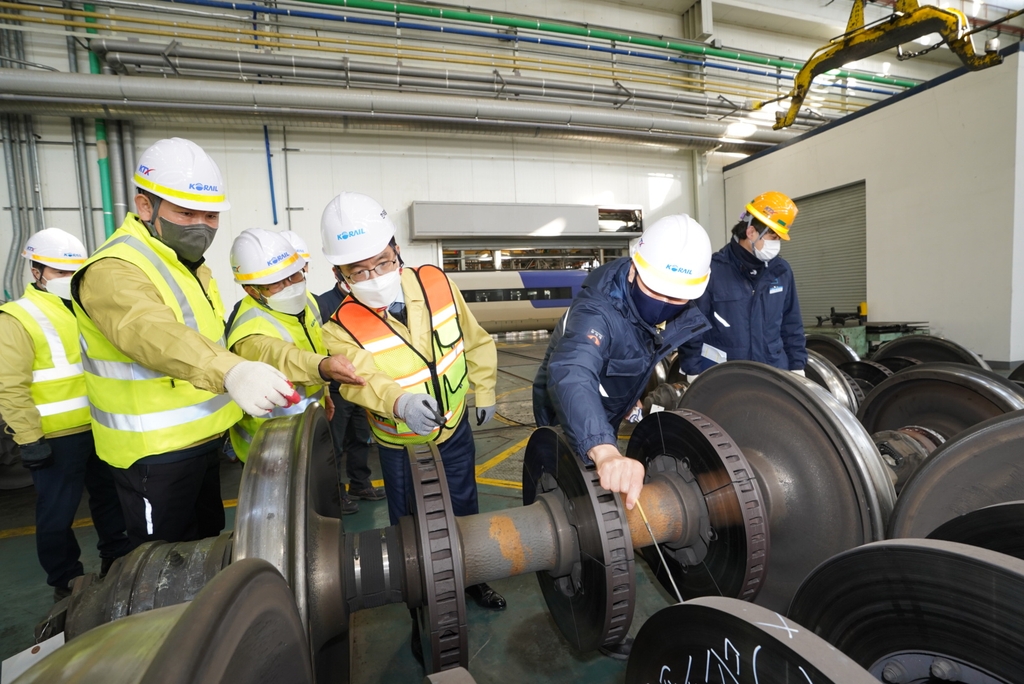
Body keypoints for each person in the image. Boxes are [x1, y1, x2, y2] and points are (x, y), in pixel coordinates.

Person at [71, 137, 302, 550]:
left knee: (204, 549)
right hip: (152, 455)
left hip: (200, 443)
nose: (201, 224)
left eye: (210, 215)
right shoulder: (114, 268)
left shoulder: (186, 265)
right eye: (185, 212)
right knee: (160, 564)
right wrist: (232, 371)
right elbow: (151, 333)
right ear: (146, 207)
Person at [532, 215, 713, 658]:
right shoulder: (598, 312)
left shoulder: (673, 305)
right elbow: (573, 372)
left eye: (679, 297)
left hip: (612, 403)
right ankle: (597, 611)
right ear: (634, 266)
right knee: (590, 502)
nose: (668, 303)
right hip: (568, 408)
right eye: (658, 292)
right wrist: (605, 449)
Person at [319, 192, 505, 610]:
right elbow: (360, 380)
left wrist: (486, 388)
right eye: (359, 270)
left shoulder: (437, 283)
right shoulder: (338, 327)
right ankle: (421, 603)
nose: (374, 274)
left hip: (453, 427)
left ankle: (473, 577)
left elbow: (474, 339)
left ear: (397, 250)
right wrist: (400, 403)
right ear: (340, 275)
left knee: (464, 506)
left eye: (383, 261)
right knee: (409, 526)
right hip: (399, 443)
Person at [0, 229, 131, 601]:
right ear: (36, 271)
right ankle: (66, 580)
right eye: (59, 272)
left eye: (75, 273)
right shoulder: (17, 317)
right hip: (55, 438)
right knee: (57, 513)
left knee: (111, 500)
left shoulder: (87, 307)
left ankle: (116, 558)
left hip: (102, 426)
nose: (68, 281)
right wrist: (29, 439)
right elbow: (9, 386)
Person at [225, 228, 365, 466]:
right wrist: (322, 368)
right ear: (251, 290)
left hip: (310, 430)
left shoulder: (307, 300)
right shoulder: (249, 327)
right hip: (268, 447)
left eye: (294, 275)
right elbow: (283, 357)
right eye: (276, 283)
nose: (291, 285)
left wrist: (324, 393)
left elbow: (316, 345)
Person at [678, 191, 806, 380]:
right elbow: (693, 324)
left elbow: (792, 323)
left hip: (773, 372)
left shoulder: (781, 271)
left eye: (779, 239)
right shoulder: (713, 270)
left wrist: (797, 365)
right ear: (751, 232)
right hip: (726, 376)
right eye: (773, 237)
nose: (776, 245)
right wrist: (693, 369)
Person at [315, 260, 386, 513]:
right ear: (338, 273)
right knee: (333, 443)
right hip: (336, 388)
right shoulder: (323, 304)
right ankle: (336, 493)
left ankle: (360, 483)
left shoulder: (365, 302)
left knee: (360, 438)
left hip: (362, 385)